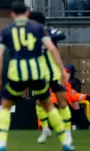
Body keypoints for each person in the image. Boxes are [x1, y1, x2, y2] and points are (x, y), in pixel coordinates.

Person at [0, 1, 74, 151]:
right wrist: (62, 69)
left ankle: (1, 143)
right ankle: (65, 142)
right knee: (48, 105)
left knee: (5, 107)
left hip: (16, 73)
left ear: (12, 14)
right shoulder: (38, 28)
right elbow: (52, 48)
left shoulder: (6, 30)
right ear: (27, 13)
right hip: (36, 72)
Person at [27, 11, 72, 143]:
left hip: (55, 73)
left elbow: (61, 35)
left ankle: (67, 132)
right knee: (39, 103)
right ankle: (45, 129)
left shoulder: (48, 32)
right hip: (39, 75)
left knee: (62, 101)